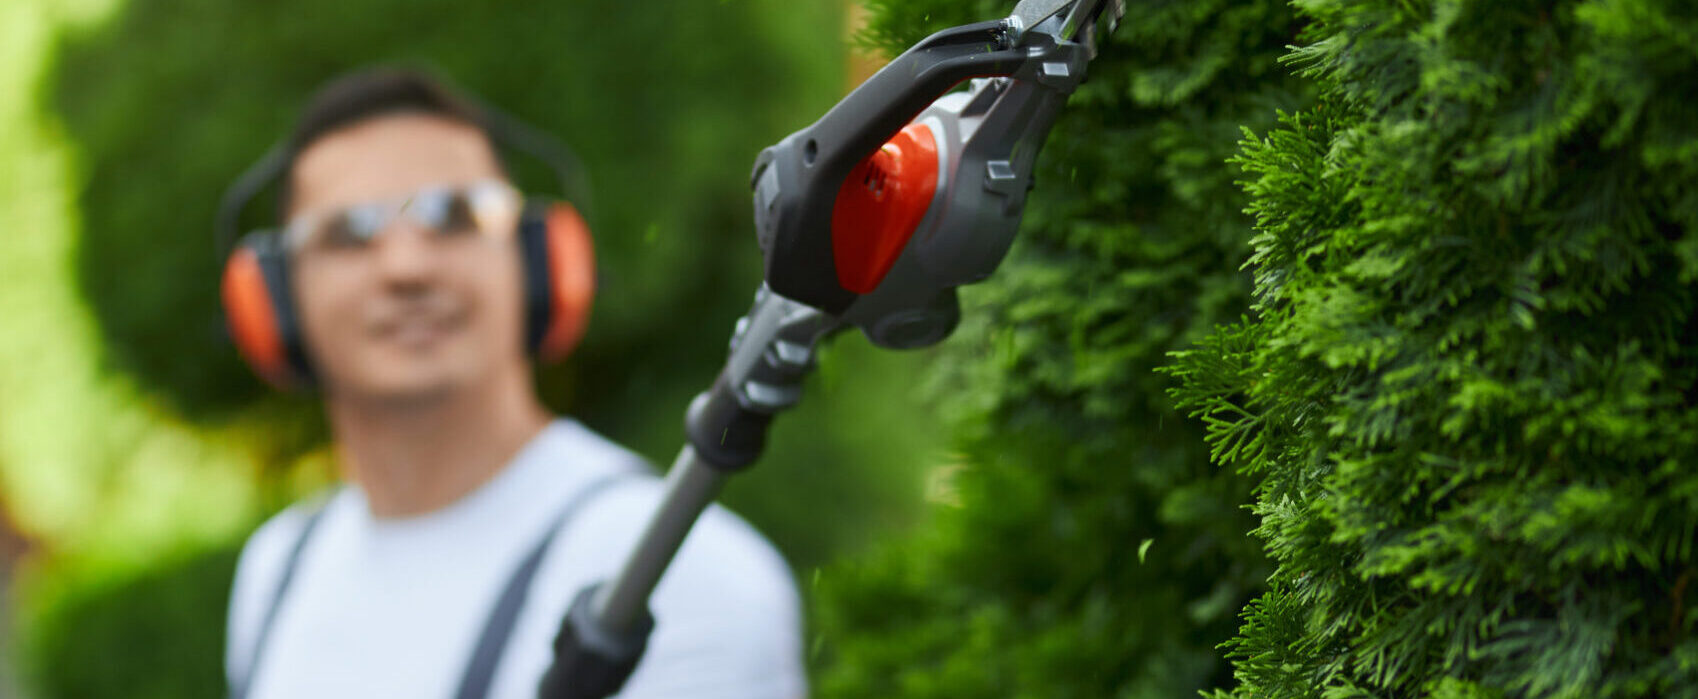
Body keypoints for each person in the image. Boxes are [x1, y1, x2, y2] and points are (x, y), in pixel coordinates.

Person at [221, 67, 806, 699]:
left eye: (455, 216)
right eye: (349, 233)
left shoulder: (683, 572)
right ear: (274, 300)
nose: (406, 266)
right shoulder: (277, 569)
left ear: (539, 261)